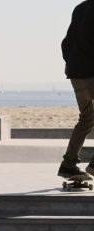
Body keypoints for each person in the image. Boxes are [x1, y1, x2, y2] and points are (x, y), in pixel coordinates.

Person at [58, 0, 94, 178]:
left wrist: (73, 64)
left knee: (87, 119)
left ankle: (68, 164)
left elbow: (65, 43)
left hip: (76, 73)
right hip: (90, 73)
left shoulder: (80, 8)